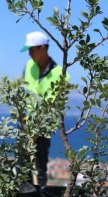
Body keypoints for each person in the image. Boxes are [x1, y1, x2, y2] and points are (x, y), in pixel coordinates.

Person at [20, 31, 69, 186]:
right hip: (23, 123)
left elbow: (51, 106)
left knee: (38, 167)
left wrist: (36, 130)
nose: (29, 54)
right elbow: (22, 92)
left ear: (42, 48)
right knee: (22, 165)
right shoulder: (28, 66)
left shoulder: (59, 74)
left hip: (43, 127)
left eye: (32, 49)